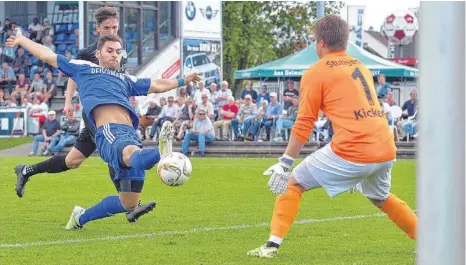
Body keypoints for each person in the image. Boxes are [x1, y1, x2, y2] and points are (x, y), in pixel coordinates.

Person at [247, 15, 417, 258]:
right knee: (380, 199)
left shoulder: (316, 72)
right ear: (345, 43)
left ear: (321, 42)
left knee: (293, 182)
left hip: (355, 150)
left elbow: (305, 122)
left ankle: (271, 247)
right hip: (385, 146)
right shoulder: (360, 66)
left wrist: (285, 163)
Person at [7, 29, 200, 230]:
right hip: (108, 132)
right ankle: (162, 152)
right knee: (131, 155)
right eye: (109, 50)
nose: (115, 54)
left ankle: (80, 218)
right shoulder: (84, 69)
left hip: (130, 135)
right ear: (98, 53)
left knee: (129, 203)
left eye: (118, 51)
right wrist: (22, 39)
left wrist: (182, 81)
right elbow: (46, 54)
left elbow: (157, 84)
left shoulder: (126, 79)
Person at [13, 7, 153, 223]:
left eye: (115, 27)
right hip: (95, 114)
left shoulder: (118, 51)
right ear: (97, 28)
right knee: (115, 148)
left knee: (73, 161)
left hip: (111, 109)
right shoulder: (89, 52)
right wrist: (68, 101)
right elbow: (73, 75)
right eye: (107, 27)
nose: (112, 30)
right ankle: (130, 204)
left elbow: (120, 78)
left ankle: (26, 170)